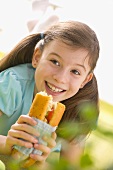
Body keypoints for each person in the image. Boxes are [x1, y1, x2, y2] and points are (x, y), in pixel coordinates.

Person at [0, 20, 100, 169]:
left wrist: (39, 164)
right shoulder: (13, 83)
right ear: (37, 57)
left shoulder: (79, 113)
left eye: (75, 71)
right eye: (55, 62)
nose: (60, 78)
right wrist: (7, 144)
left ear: (85, 80)